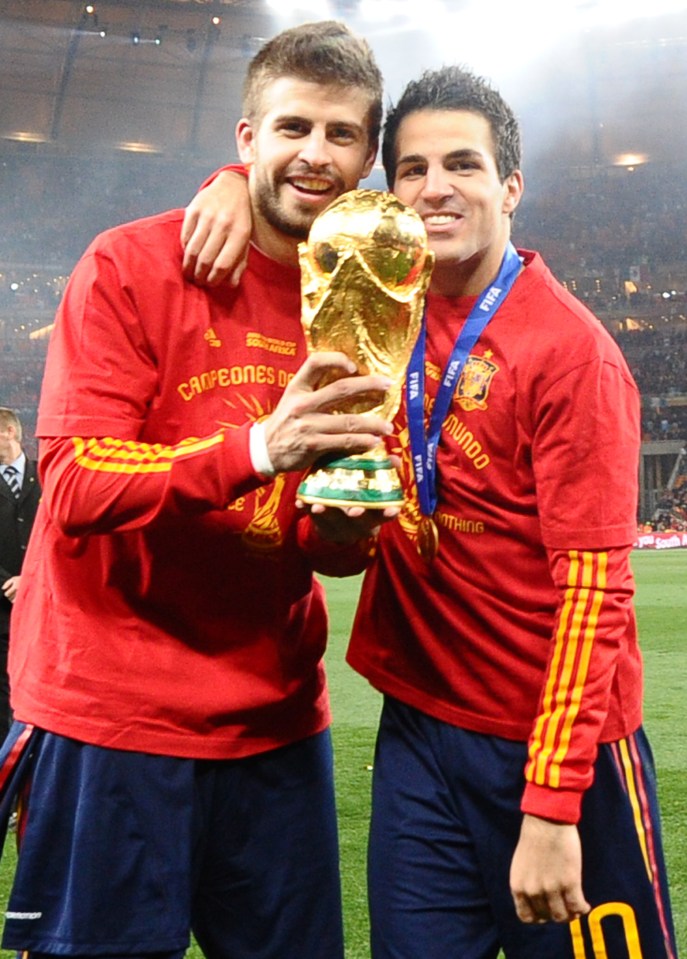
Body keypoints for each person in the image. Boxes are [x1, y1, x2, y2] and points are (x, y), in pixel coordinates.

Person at [180, 65, 677, 959]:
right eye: (410, 169)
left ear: (510, 186)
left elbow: (595, 592)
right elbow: (292, 187)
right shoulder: (374, 299)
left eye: (463, 165)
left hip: (550, 746)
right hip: (418, 732)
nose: (434, 187)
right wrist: (225, 181)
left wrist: (552, 803)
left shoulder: (571, 356)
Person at [1, 21, 391, 959]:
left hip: (274, 720)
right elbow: (78, 480)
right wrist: (258, 446)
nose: (316, 154)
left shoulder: (360, 302)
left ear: (369, 158)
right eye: (293, 127)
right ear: (246, 139)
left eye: (342, 135)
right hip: (110, 716)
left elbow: (317, 545)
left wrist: (344, 532)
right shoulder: (128, 265)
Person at [0, 408, 41, 741]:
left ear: (10, 433)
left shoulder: (47, 477)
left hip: (45, 604)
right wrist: (7, 582)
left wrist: (33, 579)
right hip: (1, 607)